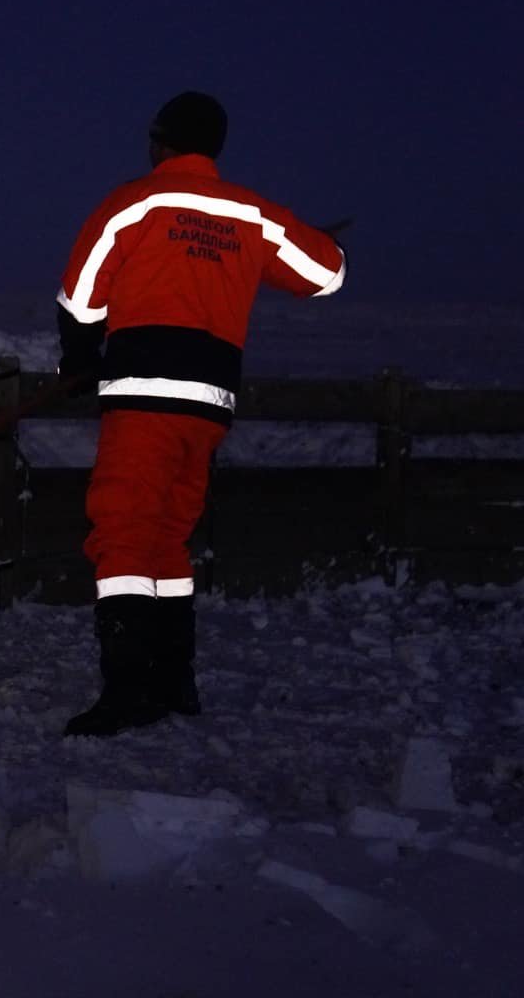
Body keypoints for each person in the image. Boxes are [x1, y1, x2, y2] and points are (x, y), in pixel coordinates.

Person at [55, 91, 346, 736]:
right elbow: (327, 275)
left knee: (123, 533)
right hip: (209, 406)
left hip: (143, 396)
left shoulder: (133, 203)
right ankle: (173, 682)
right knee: (168, 536)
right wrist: (323, 242)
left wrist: (78, 358)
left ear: (160, 142)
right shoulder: (250, 213)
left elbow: (80, 300)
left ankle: (126, 691)